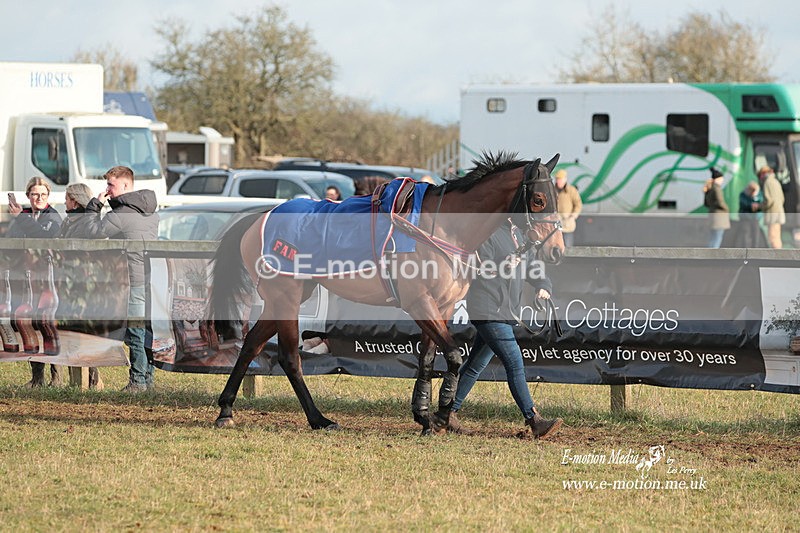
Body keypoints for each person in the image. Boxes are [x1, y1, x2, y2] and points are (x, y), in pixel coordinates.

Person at [440, 220, 563, 439]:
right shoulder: (487, 233)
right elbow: (475, 268)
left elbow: (532, 267)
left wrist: (543, 285)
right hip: (488, 310)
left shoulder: (520, 236)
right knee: (514, 363)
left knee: (474, 366)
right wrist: (502, 266)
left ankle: (446, 413)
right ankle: (534, 420)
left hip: (504, 312)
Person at [83, 166, 159, 392]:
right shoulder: (150, 210)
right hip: (151, 278)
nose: (107, 190)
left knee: (136, 330)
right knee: (147, 329)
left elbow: (93, 232)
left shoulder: (124, 213)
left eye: (111, 185)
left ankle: (138, 382)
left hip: (133, 278)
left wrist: (95, 204)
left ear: (125, 185)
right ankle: (148, 379)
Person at [7, 177, 63, 388]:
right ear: (28, 196)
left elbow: (42, 236)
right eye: (35, 194)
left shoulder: (53, 216)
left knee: (49, 325)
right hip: (27, 279)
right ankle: (37, 376)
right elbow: (13, 242)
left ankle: (56, 375)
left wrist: (21, 217)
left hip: (50, 279)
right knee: (29, 324)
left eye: (43, 194)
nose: (39, 198)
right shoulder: (24, 217)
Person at [59, 183, 104, 390]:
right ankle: (81, 377)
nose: (65, 202)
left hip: (82, 283)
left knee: (82, 331)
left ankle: (92, 378)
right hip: (70, 281)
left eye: (67, 198)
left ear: (74, 200)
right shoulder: (70, 221)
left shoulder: (83, 222)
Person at [758, 165, 785, 249]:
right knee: (777, 237)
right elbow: (782, 198)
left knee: (772, 238)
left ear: (763, 174)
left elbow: (768, 201)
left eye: (760, 175)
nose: (760, 178)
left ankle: (777, 259)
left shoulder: (767, 182)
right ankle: (780, 257)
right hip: (779, 213)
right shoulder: (776, 181)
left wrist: (760, 206)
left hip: (772, 214)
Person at [703, 168, 730, 248]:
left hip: (712, 215)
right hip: (719, 217)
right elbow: (720, 202)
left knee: (713, 238)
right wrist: (727, 209)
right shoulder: (717, 189)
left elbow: (706, 204)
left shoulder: (709, 188)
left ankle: (709, 255)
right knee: (717, 238)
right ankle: (713, 256)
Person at [554, 169, 582, 247]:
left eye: (560, 179)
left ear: (565, 179)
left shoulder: (572, 190)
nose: (558, 181)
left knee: (568, 247)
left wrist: (573, 216)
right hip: (555, 226)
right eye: (557, 179)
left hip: (567, 226)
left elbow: (578, 204)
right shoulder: (552, 190)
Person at [737, 181, 765, 248]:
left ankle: (755, 250)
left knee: (755, 235)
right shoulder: (743, 195)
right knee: (745, 235)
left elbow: (762, 203)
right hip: (745, 218)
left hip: (755, 218)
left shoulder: (759, 195)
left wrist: (756, 202)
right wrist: (751, 205)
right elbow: (744, 203)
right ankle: (745, 250)